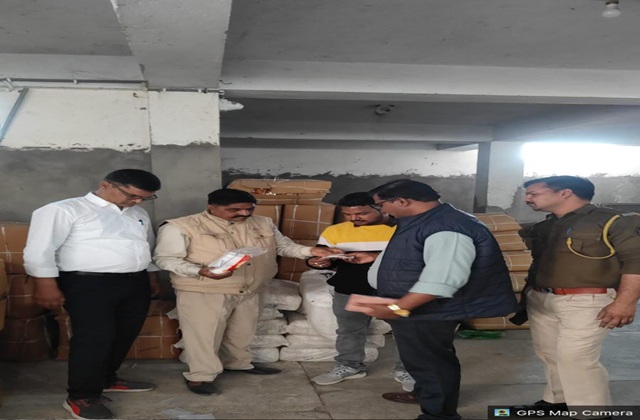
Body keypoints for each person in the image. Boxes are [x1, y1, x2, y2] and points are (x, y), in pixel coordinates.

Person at [347, 179, 517, 420]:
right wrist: (376, 259)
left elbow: (442, 280)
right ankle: (425, 394)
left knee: (431, 363)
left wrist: (397, 307)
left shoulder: (447, 228)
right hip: (417, 307)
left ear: (402, 201)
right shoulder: (423, 221)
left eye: (381, 204)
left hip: (430, 309)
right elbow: (419, 255)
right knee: (420, 359)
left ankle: (439, 414)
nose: (381, 210)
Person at [153, 188, 342, 396]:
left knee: (243, 330)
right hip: (204, 289)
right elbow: (165, 259)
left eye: (249, 209)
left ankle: (237, 363)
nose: (244, 214)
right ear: (211, 207)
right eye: (234, 210)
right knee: (204, 335)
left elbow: (282, 246)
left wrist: (310, 251)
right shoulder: (181, 226)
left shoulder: (263, 222)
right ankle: (200, 376)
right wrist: (199, 271)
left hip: (251, 288)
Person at [23, 169, 162, 420]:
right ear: (106, 185)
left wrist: (151, 276)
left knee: (124, 333)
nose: (137, 202)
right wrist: (45, 284)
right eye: (132, 195)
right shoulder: (63, 210)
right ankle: (81, 396)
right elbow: (39, 250)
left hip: (135, 281)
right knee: (94, 338)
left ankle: (107, 378)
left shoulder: (137, 213)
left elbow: (146, 246)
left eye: (145, 198)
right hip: (88, 284)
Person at [514, 176, 640, 418]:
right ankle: (558, 402)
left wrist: (625, 302)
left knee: (576, 359)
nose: (527, 198)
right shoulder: (548, 225)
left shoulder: (614, 221)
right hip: (543, 299)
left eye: (534, 193)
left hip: (587, 302)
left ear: (565, 193)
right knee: (550, 355)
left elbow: (636, 262)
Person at [306, 192, 415, 392]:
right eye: (347, 214)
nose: (354, 218)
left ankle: (407, 370)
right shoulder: (335, 231)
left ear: (379, 208)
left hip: (394, 292)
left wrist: (374, 255)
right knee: (349, 330)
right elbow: (323, 257)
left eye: (361, 213)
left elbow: (414, 258)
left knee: (406, 330)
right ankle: (349, 366)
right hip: (350, 290)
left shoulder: (404, 229)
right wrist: (317, 262)